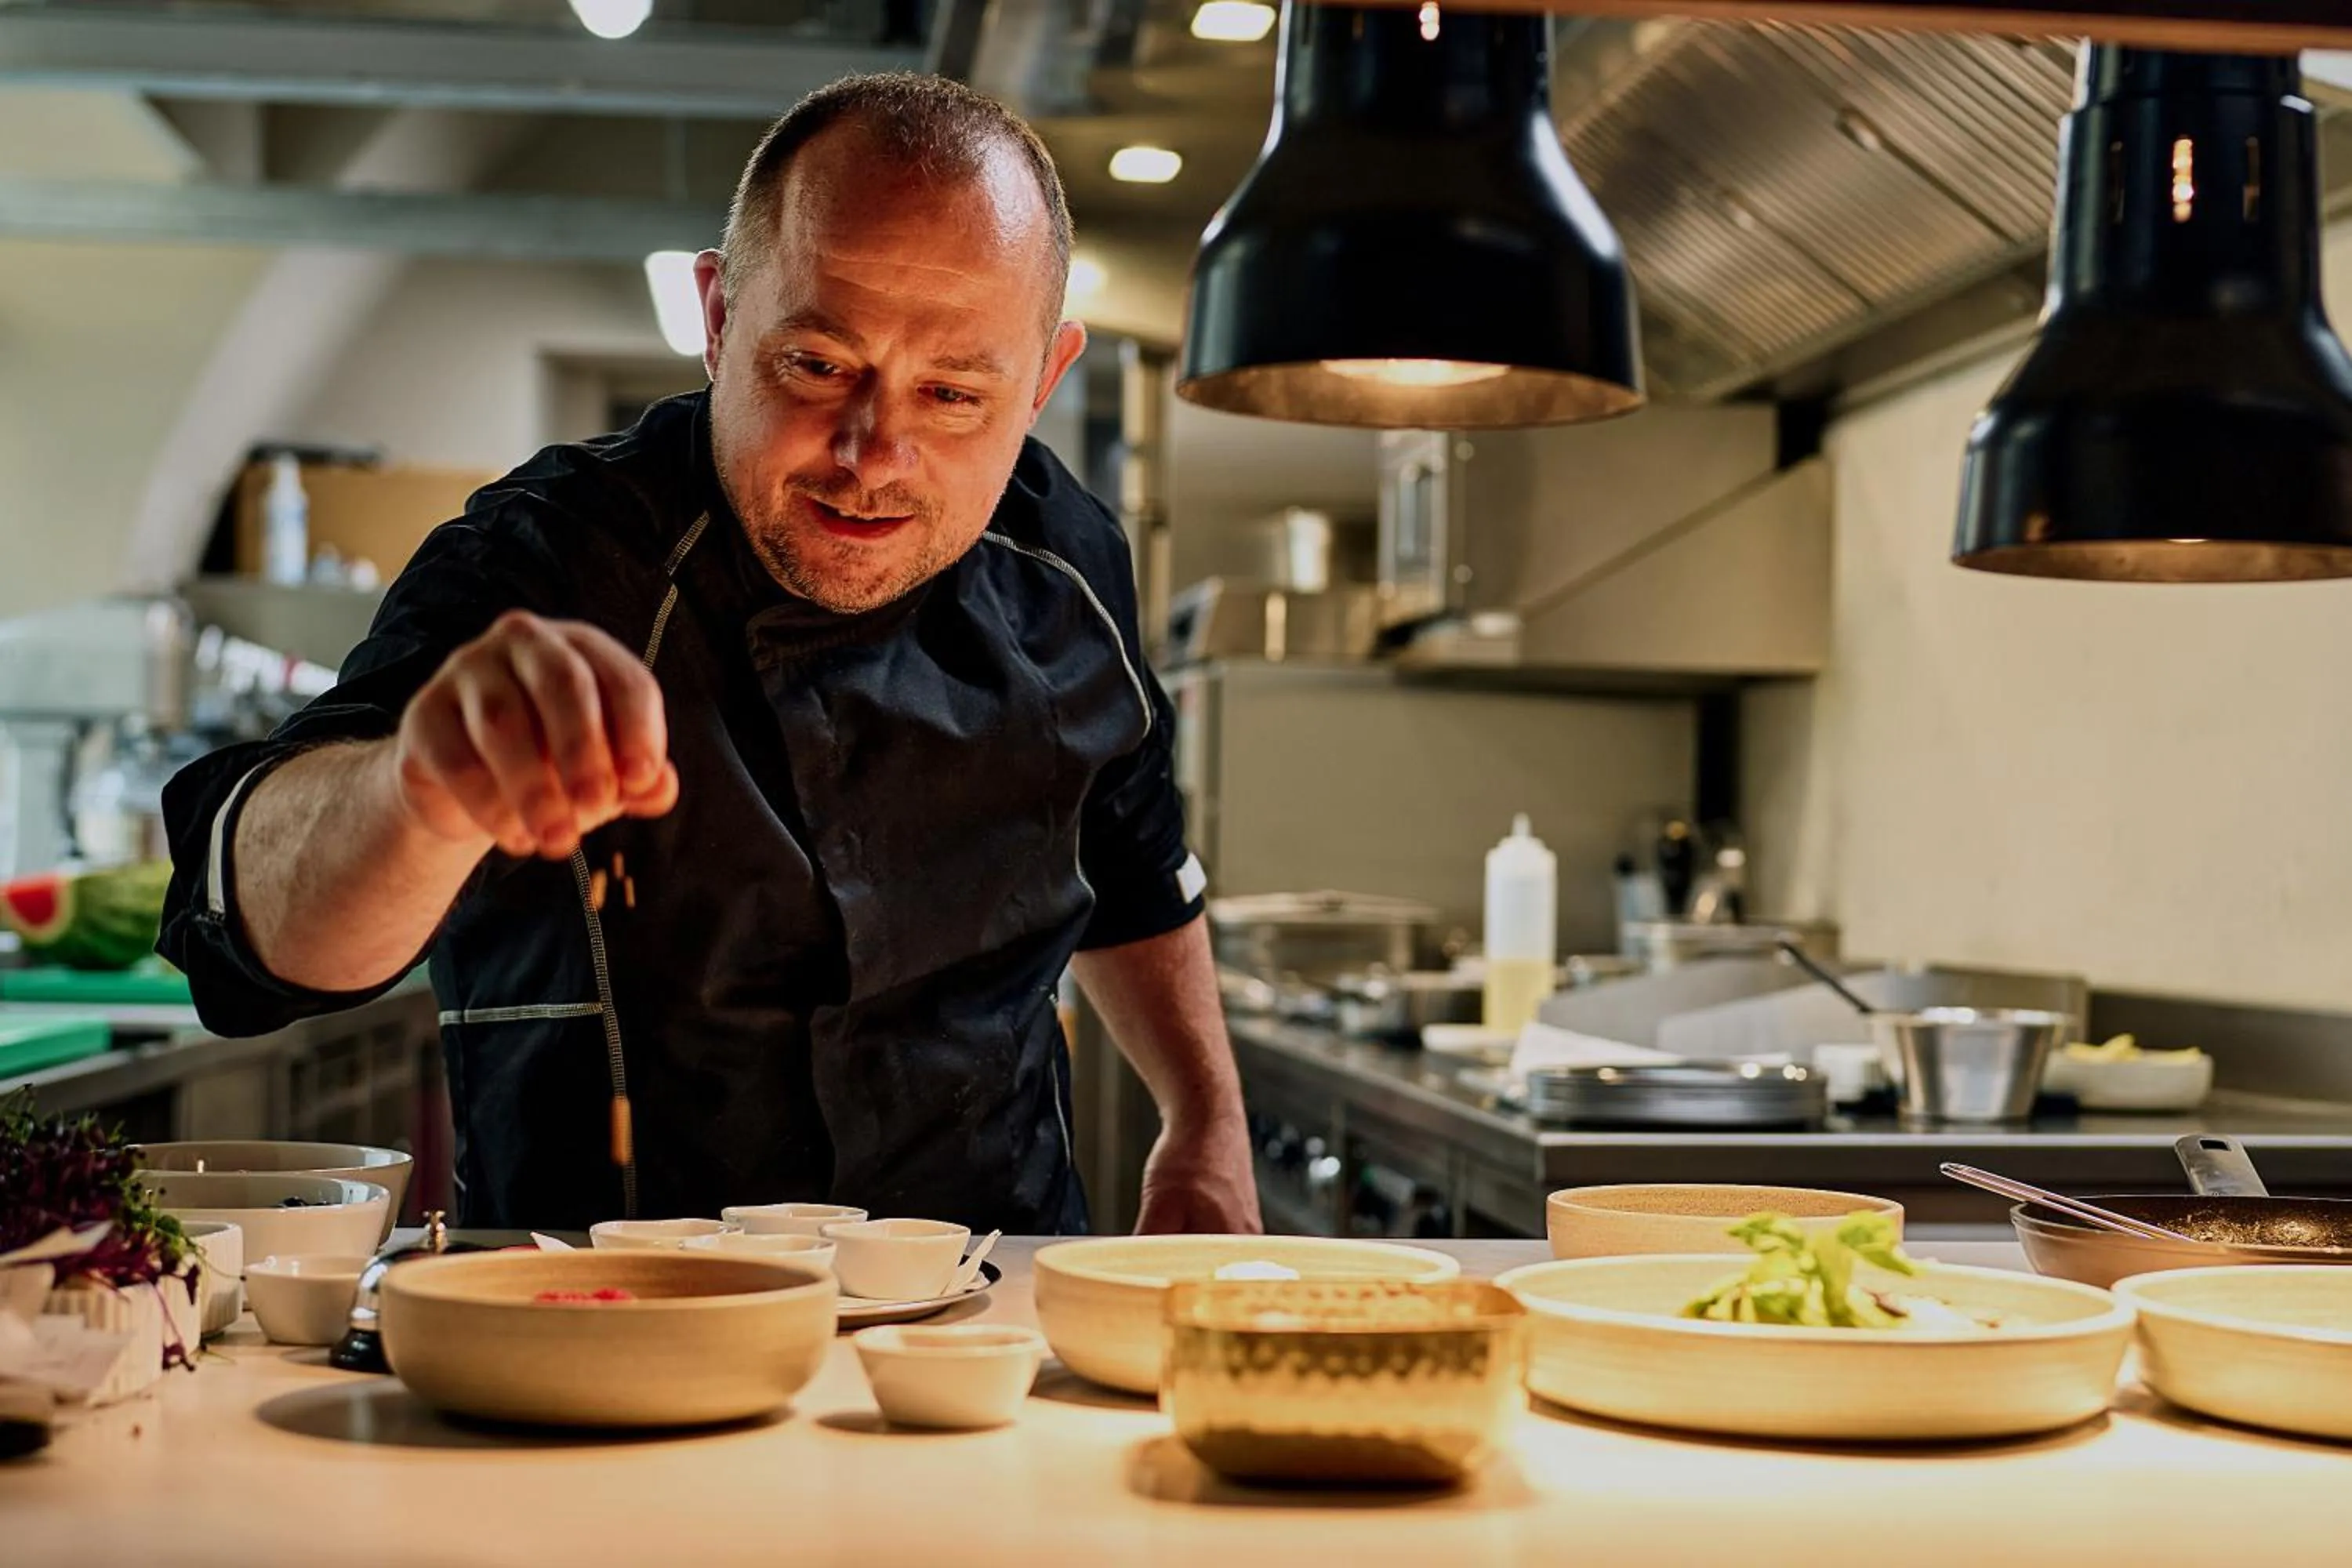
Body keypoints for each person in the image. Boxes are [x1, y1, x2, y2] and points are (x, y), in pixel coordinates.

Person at [156, 73, 1262, 1239]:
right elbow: (256, 944)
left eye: (952, 393)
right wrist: (413, 793)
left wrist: (1206, 1123)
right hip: (605, 1322)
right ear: (719, 316)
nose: (874, 455)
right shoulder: (550, 561)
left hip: (988, 1322)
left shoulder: (1069, 560)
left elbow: (1134, 862)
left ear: (1042, 379)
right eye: (821, 366)